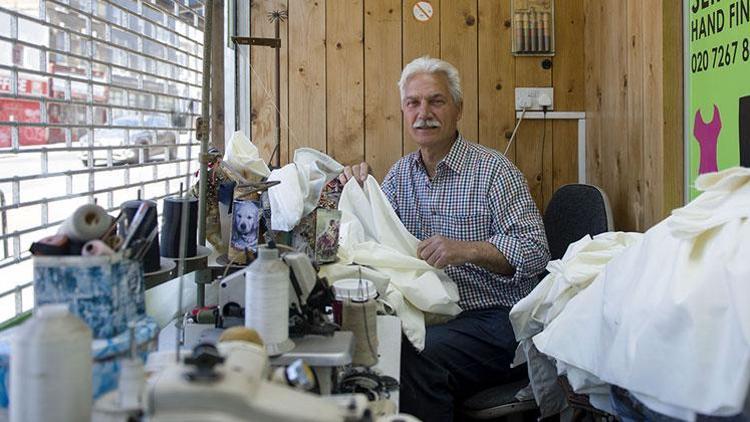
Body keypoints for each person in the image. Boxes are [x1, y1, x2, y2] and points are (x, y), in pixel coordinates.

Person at [340, 56, 549, 421]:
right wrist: (359, 191)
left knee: (413, 354)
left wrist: (468, 251)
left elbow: (535, 250)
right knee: (370, 341)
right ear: (404, 112)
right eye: (413, 103)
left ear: (458, 109)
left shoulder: (494, 171)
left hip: (497, 318)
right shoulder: (400, 175)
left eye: (436, 101)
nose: (424, 113)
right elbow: (376, 237)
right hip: (435, 314)